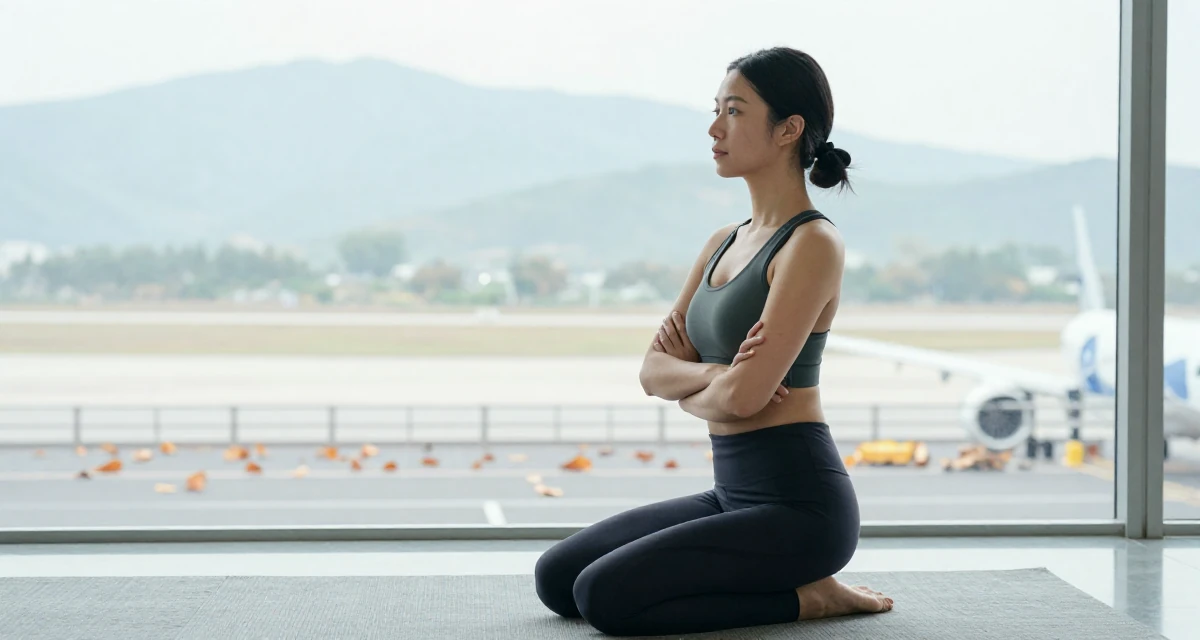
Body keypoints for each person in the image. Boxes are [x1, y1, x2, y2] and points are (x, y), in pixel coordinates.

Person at [533, 46, 892, 637]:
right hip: (731, 493)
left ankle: (811, 599)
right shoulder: (724, 241)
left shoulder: (812, 244)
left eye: (734, 111)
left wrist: (705, 382)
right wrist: (712, 378)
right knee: (557, 578)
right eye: (716, 110)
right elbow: (654, 370)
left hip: (800, 507)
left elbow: (745, 401)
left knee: (605, 597)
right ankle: (784, 581)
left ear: (789, 129)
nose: (714, 128)